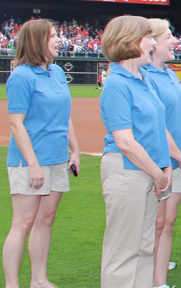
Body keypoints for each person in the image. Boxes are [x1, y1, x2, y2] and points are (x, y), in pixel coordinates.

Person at [3, 18, 80, 288]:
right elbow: (16, 123)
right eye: (53, 35)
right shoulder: (21, 76)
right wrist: (33, 164)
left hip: (58, 158)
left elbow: (65, 115)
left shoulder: (57, 73)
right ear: (37, 41)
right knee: (23, 223)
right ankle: (12, 285)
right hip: (30, 161)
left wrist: (75, 149)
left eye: (58, 34)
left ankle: (39, 280)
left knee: (46, 220)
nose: (59, 39)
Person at [98, 15, 171, 288]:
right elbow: (125, 141)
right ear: (130, 41)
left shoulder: (143, 79)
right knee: (123, 251)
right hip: (128, 171)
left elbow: (156, 129)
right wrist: (158, 173)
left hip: (146, 171)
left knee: (143, 247)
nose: (153, 42)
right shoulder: (117, 83)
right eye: (148, 37)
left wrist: (162, 168)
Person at [142, 18, 181, 288]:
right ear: (152, 42)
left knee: (167, 222)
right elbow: (158, 124)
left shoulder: (168, 73)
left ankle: (159, 282)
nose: (174, 41)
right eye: (168, 37)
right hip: (157, 162)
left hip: (176, 161)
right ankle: (145, 279)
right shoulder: (145, 75)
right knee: (153, 225)